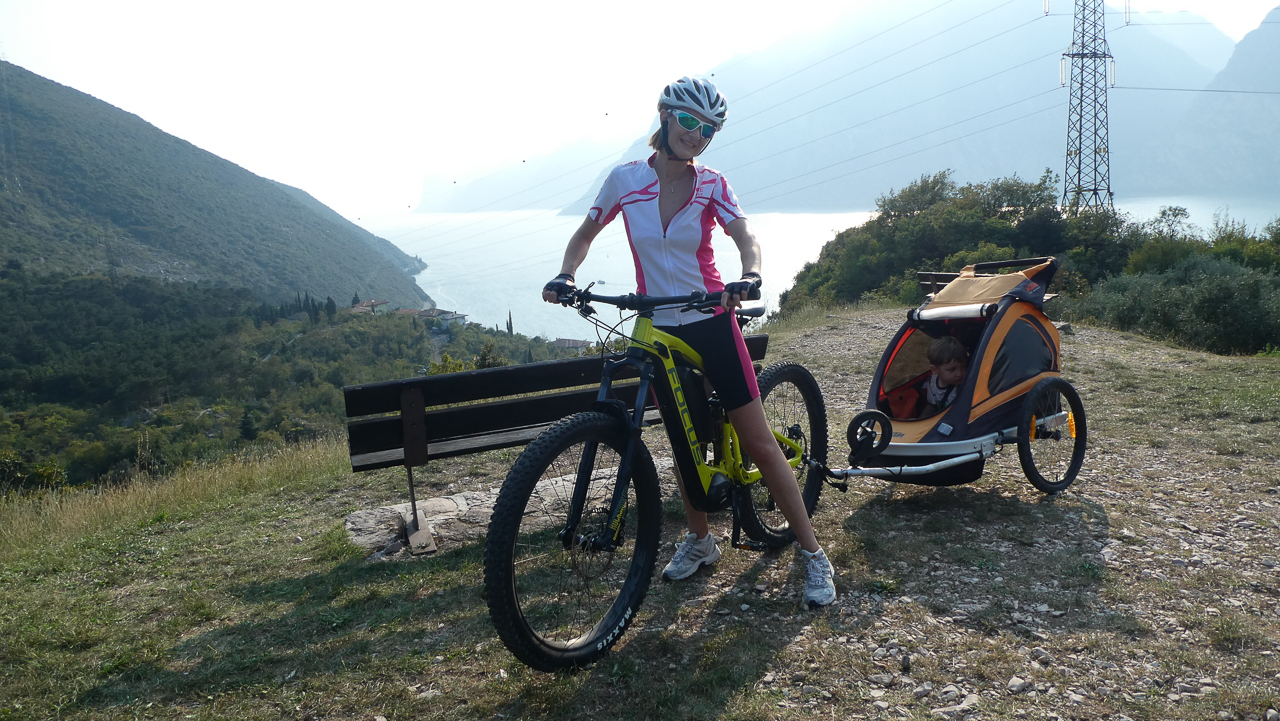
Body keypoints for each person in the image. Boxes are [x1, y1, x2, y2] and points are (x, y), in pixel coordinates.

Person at [541, 76, 836, 608]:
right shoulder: (625, 180)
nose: (697, 135)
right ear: (665, 116)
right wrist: (566, 274)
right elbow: (584, 235)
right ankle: (701, 541)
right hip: (656, 325)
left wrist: (750, 274)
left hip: (710, 320)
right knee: (681, 442)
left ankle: (813, 554)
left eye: (708, 129)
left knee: (759, 442)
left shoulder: (712, 184)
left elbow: (745, 235)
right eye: (689, 121)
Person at [919, 335, 968, 418]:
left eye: (963, 367)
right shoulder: (931, 383)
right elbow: (931, 405)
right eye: (952, 369)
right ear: (935, 370)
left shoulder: (963, 388)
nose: (959, 373)